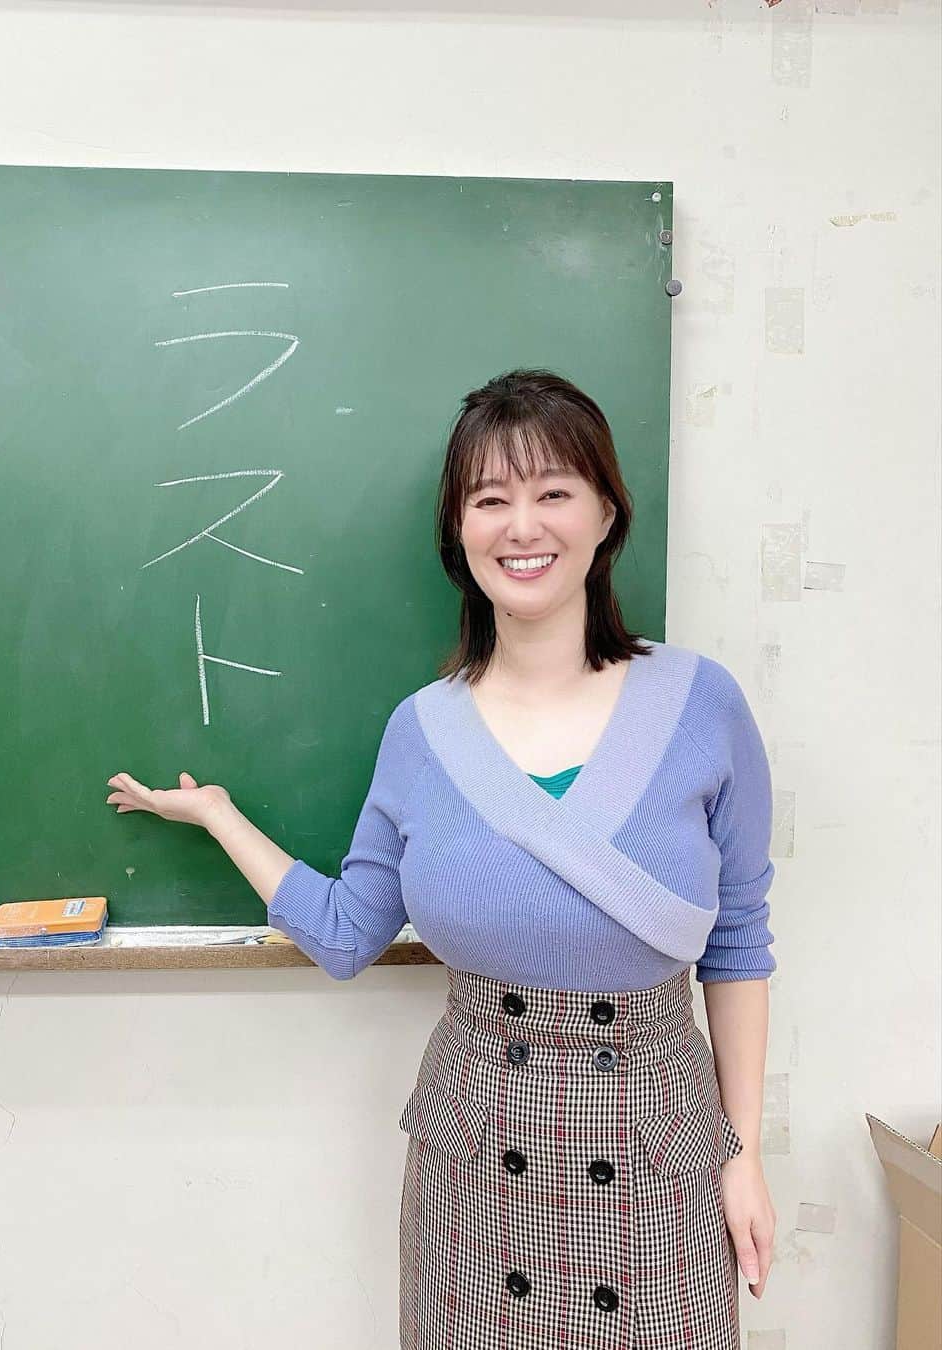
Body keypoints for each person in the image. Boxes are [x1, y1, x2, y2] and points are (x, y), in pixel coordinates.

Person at [106, 368, 777, 1349]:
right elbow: (347, 935)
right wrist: (219, 817)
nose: (522, 526)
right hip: (476, 1163)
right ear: (458, 532)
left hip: (656, 1152)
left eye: (553, 492)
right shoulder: (423, 732)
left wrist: (743, 1152)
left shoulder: (700, 704)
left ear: (605, 514)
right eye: (490, 499)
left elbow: (740, 943)